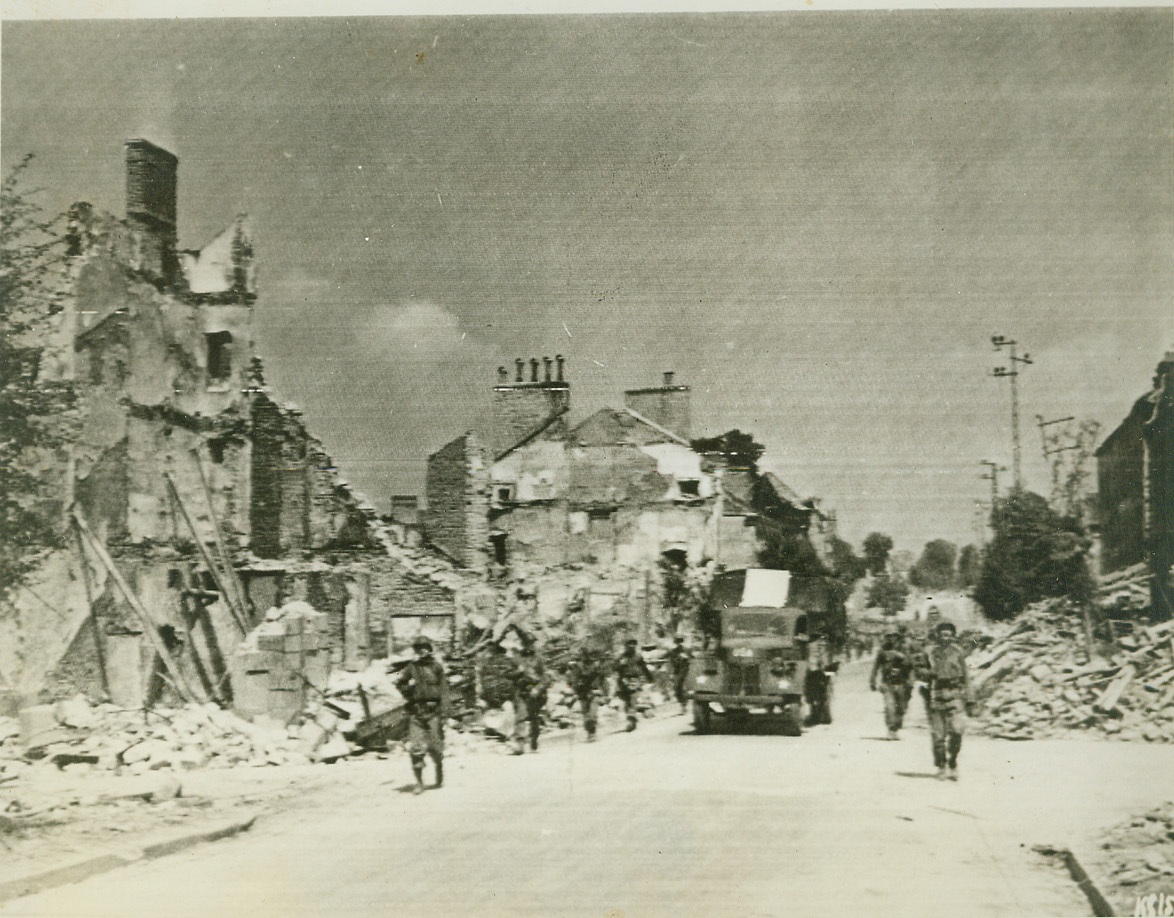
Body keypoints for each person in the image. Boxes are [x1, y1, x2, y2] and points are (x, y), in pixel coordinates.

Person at [395, 636, 449, 795]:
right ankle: (419, 783)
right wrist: (409, 692)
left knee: (436, 747)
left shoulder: (437, 667)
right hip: (417, 713)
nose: (421, 650)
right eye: (418, 648)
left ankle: (439, 768)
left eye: (424, 647)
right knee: (416, 749)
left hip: (434, 713)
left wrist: (445, 713)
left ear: (430, 649)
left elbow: (445, 691)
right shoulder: (411, 667)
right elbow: (399, 682)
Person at [924, 620, 973, 781]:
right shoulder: (930, 653)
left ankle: (952, 762)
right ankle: (941, 765)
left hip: (955, 695)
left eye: (949, 635)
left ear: (953, 636)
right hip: (937, 695)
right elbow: (920, 671)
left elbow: (966, 677)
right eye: (943, 634)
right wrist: (929, 673)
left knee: (957, 732)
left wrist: (970, 699)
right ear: (938, 636)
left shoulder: (958, 653)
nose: (946, 637)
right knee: (938, 736)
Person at [507, 642, 549, 754]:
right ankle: (519, 745)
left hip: (536, 693)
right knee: (521, 715)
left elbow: (546, 677)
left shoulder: (538, 659)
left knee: (534, 719)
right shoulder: (515, 659)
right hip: (521, 693)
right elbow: (508, 675)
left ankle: (533, 742)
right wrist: (518, 671)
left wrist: (538, 689)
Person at [870, 632, 912, 740]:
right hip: (887, 683)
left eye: (893, 636)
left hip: (902, 683)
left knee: (901, 708)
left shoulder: (904, 649)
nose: (891, 639)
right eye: (889, 636)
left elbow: (911, 664)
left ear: (898, 637)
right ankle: (891, 729)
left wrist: (901, 657)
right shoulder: (882, 651)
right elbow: (876, 666)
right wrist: (872, 681)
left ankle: (896, 725)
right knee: (890, 707)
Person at [568, 645, 609, 742]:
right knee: (586, 714)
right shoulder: (578, 666)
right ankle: (590, 733)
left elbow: (603, 680)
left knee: (592, 712)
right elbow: (574, 680)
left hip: (594, 691)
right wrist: (575, 690)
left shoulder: (596, 666)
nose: (588, 657)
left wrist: (606, 693)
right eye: (585, 655)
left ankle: (592, 732)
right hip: (583, 693)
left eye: (589, 655)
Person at [614, 637, 653, 731]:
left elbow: (644, 667)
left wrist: (650, 677)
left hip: (635, 679)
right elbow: (614, 668)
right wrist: (620, 664)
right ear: (626, 646)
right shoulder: (621, 657)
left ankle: (631, 718)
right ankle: (632, 719)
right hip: (623, 680)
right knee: (626, 700)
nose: (632, 646)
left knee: (633, 696)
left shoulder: (638, 656)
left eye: (633, 643)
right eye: (629, 644)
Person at [666, 636, 692, 715]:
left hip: (686, 671)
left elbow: (692, 660)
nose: (678, 643)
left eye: (680, 641)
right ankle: (683, 705)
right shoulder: (672, 651)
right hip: (677, 672)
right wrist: (670, 673)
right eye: (677, 642)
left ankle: (684, 705)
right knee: (677, 689)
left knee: (685, 688)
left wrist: (687, 658)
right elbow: (670, 662)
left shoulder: (687, 650)